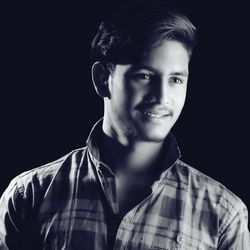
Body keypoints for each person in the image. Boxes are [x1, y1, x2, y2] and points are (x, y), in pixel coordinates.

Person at [0, 1, 249, 249]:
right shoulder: (29, 195)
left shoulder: (223, 215)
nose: (162, 97)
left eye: (175, 79)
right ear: (102, 79)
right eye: (144, 76)